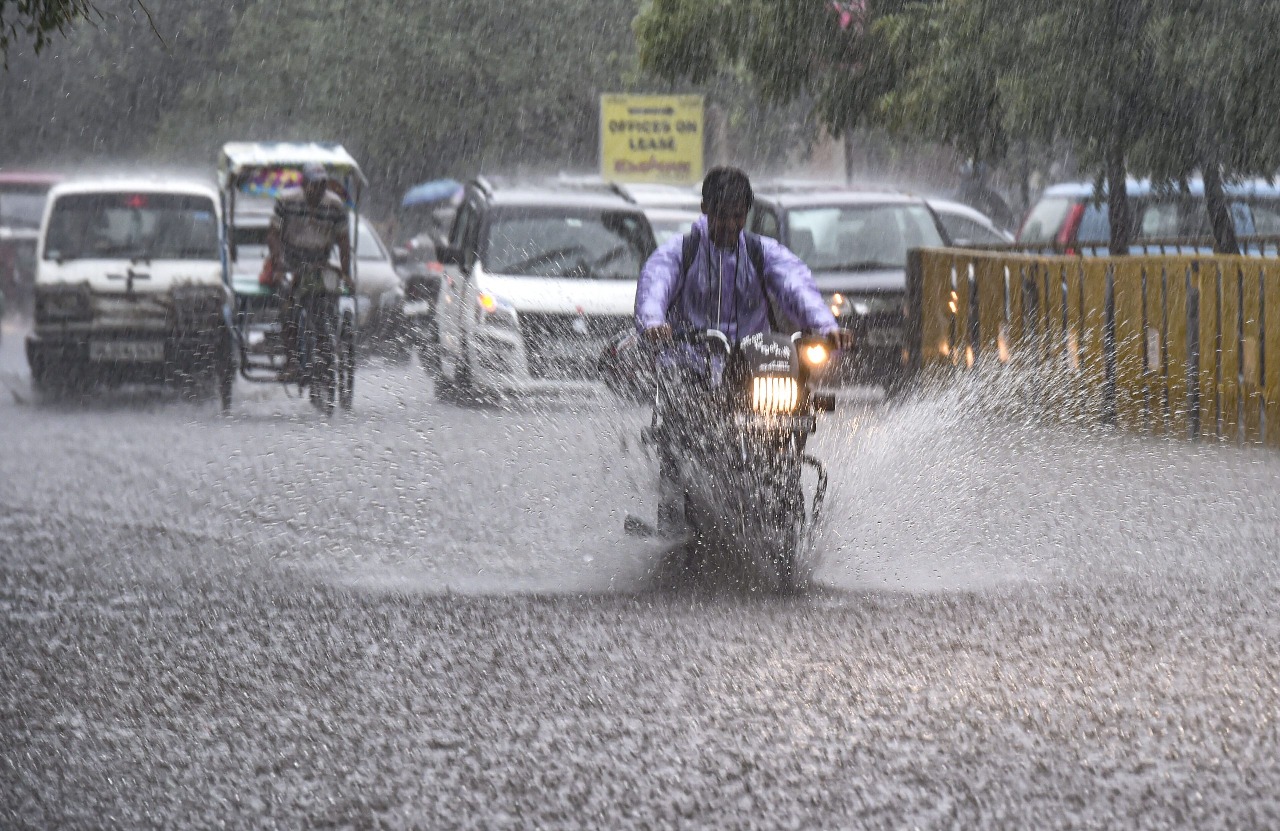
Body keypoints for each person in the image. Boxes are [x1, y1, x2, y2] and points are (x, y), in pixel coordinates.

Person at [633, 165, 854, 533]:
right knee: (678, 434)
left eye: (738, 216)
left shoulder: (761, 253)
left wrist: (826, 327)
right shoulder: (681, 251)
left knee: (796, 407)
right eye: (722, 215)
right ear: (705, 209)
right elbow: (655, 284)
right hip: (693, 366)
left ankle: (782, 490)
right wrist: (654, 322)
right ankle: (673, 521)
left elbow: (797, 286)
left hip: (754, 367)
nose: (731, 225)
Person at [267, 162, 353, 380]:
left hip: (320, 263)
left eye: (323, 185)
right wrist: (278, 264)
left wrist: (346, 272)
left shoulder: (335, 206)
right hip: (291, 262)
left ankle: (326, 351)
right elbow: (273, 235)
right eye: (314, 185)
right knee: (288, 306)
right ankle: (292, 361)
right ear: (304, 184)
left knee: (325, 308)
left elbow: (343, 242)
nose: (318, 190)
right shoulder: (286, 201)